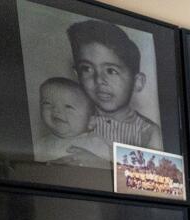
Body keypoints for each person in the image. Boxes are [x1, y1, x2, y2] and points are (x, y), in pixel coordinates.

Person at [67, 19, 163, 152]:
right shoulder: (73, 118)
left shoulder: (148, 132)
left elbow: (154, 172)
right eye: (87, 69)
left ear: (137, 82)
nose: (99, 79)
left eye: (111, 71)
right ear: (77, 75)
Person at [34, 77, 109, 165]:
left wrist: (97, 162)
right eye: (47, 103)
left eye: (68, 106)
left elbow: (117, 172)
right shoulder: (40, 145)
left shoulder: (97, 143)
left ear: (91, 121)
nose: (56, 110)